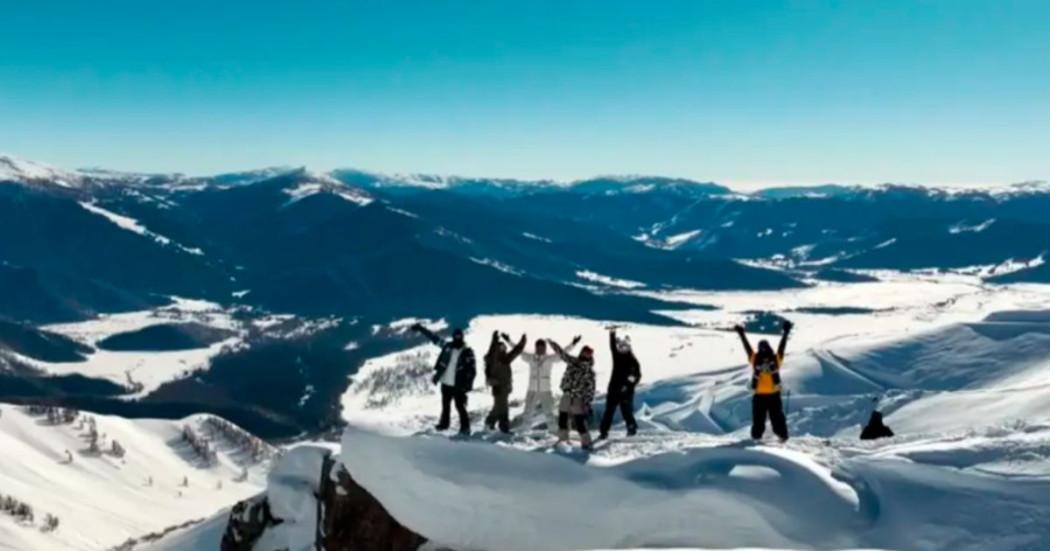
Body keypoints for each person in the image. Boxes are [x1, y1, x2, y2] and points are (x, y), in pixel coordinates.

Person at [411, 323, 477, 435]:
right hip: (446, 382)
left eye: (459, 336)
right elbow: (434, 338)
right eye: (455, 336)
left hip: (458, 384)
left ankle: (465, 428)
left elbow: (472, 370)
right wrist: (422, 329)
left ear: (462, 337)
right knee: (445, 406)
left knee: (460, 406)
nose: (457, 338)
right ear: (453, 337)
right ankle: (444, 424)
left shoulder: (467, 351)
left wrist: (468, 384)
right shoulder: (447, 347)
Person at [734, 320, 793, 442]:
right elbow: (747, 347)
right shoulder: (762, 359)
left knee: (775, 418)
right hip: (763, 396)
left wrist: (786, 333)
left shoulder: (768, 359)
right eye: (762, 348)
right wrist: (741, 334)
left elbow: (782, 347)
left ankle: (782, 438)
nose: (763, 351)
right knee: (759, 420)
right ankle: (758, 439)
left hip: (770, 395)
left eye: (764, 348)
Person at [514, 335, 581, 432]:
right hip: (532, 389)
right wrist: (508, 340)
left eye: (542, 347)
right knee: (528, 412)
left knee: (549, 412)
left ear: (545, 348)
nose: (540, 349)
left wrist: (573, 343)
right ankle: (524, 430)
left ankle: (554, 431)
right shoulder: (530, 358)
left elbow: (563, 352)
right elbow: (517, 350)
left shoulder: (550, 359)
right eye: (538, 347)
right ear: (535, 347)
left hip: (545, 390)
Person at [549, 340, 597, 450]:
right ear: (581, 352)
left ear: (590, 355)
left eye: (588, 353)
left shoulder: (589, 371)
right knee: (562, 417)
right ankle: (563, 439)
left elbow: (590, 389)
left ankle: (586, 442)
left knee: (579, 421)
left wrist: (587, 403)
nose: (586, 354)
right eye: (585, 352)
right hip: (566, 394)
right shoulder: (573, 361)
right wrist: (553, 344)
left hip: (578, 398)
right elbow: (562, 354)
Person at [599, 328, 642, 440]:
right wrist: (612, 333)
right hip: (614, 389)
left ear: (629, 347)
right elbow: (612, 346)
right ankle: (604, 431)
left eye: (625, 346)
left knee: (627, 411)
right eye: (621, 346)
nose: (622, 348)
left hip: (626, 392)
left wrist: (628, 385)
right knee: (609, 411)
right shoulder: (617, 357)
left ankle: (631, 428)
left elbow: (637, 376)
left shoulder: (633, 361)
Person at [484, 331, 526, 433]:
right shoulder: (493, 360)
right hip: (498, 387)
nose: (503, 350)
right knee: (502, 407)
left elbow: (516, 351)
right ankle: (503, 427)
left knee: (499, 406)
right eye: (501, 348)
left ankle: (490, 422)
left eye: (504, 348)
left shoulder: (505, 359)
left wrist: (522, 342)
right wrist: (494, 340)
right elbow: (492, 353)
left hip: (506, 387)